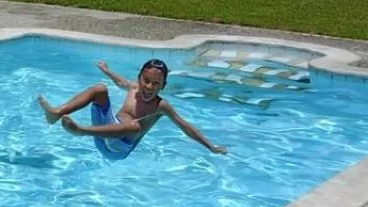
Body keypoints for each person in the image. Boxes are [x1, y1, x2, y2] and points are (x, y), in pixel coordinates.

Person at [38, 59, 228, 157]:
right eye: (146, 81)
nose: (150, 87)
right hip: (104, 135)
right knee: (100, 89)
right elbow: (119, 81)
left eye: (156, 83)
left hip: (117, 150)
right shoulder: (133, 88)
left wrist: (211, 146)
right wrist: (106, 70)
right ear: (139, 78)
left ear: (163, 86)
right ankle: (56, 113)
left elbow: (185, 126)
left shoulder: (161, 106)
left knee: (136, 126)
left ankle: (81, 131)